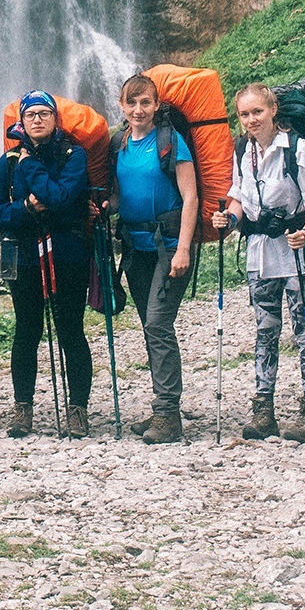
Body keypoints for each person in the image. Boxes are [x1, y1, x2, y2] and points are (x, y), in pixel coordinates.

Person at [220, 83, 305, 443]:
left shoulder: (299, 149)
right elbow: (238, 196)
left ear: (273, 111)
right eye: (245, 114)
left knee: (304, 330)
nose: (251, 120)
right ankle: (263, 409)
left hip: (298, 250)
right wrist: (230, 220)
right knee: (265, 331)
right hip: (260, 252)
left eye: (257, 112)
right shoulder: (242, 150)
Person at [0, 92, 93, 438]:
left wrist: (32, 166)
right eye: (30, 115)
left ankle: (78, 409)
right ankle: (22, 408)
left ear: (55, 119)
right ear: (21, 121)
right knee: (26, 329)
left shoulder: (74, 156)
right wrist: (26, 210)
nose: (37, 120)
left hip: (67, 251)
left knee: (70, 329)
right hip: (25, 252)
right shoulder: (8, 162)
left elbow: (61, 199)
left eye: (44, 113)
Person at [108, 72, 198, 444]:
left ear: (157, 105)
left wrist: (183, 250)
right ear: (122, 106)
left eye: (146, 102)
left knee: (158, 326)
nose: (139, 109)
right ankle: (163, 406)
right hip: (135, 248)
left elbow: (190, 197)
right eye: (132, 102)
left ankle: (168, 415)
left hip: (169, 247)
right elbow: (117, 196)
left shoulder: (170, 141)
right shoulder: (119, 144)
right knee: (150, 328)